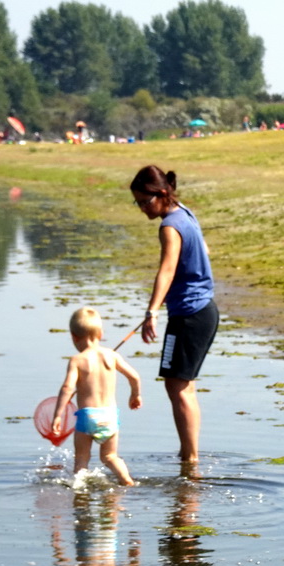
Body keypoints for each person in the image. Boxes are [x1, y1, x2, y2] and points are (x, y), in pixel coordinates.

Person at [130, 165, 218, 464]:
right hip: (204, 309)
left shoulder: (170, 226)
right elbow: (203, 247)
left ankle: (190, 460)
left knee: (177, 386)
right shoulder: (184, 213)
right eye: (138, 203)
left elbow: (166, 271)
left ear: (162, 194)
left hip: (190, 314)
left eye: (146, 202)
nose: (143, 209)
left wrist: (151, 312)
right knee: (181, 384)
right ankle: (187, 453)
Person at [52, 307, 142, 484]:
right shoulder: (112, 355)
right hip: (109, 416)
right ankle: (127, 481)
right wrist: (135, 395)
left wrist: (58, 414)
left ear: (74, 337)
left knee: (82, 460)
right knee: (110, 457)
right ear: (100, 333)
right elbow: (134, 376)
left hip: (87, 417)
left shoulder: (77, 360)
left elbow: (67, 388)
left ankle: (79, 492)